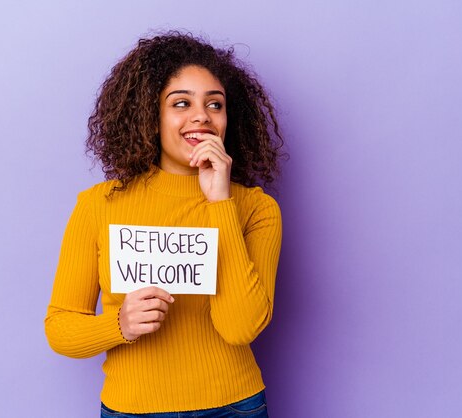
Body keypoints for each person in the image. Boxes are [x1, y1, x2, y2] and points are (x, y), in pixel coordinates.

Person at [44, 31, 284, 417]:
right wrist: (118, 326)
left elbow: (240, 327)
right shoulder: (98, 205)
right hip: (132, 408)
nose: (201, 116)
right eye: (181, 103)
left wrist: (219, 201)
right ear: (150, 115)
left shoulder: (256, 209)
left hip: (234, 406)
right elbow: (60, 327)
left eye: (215, 105)